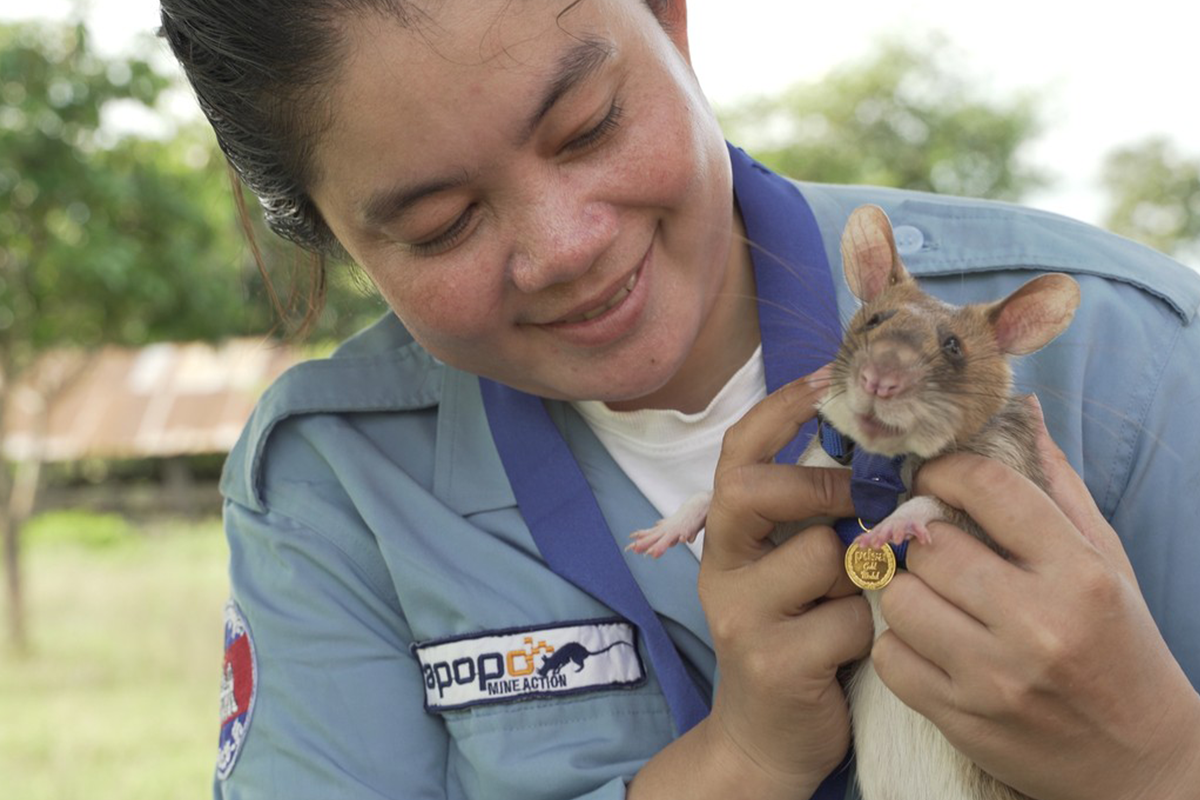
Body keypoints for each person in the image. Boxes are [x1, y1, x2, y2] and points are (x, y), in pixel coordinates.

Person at [159, 1, 1200, 798]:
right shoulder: (333, 477)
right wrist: (739, 760)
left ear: (671, 18)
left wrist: (1157, 756)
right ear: (330, 237)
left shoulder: (1129, 358)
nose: (568, 247)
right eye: (440, 225)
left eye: (588, 126)